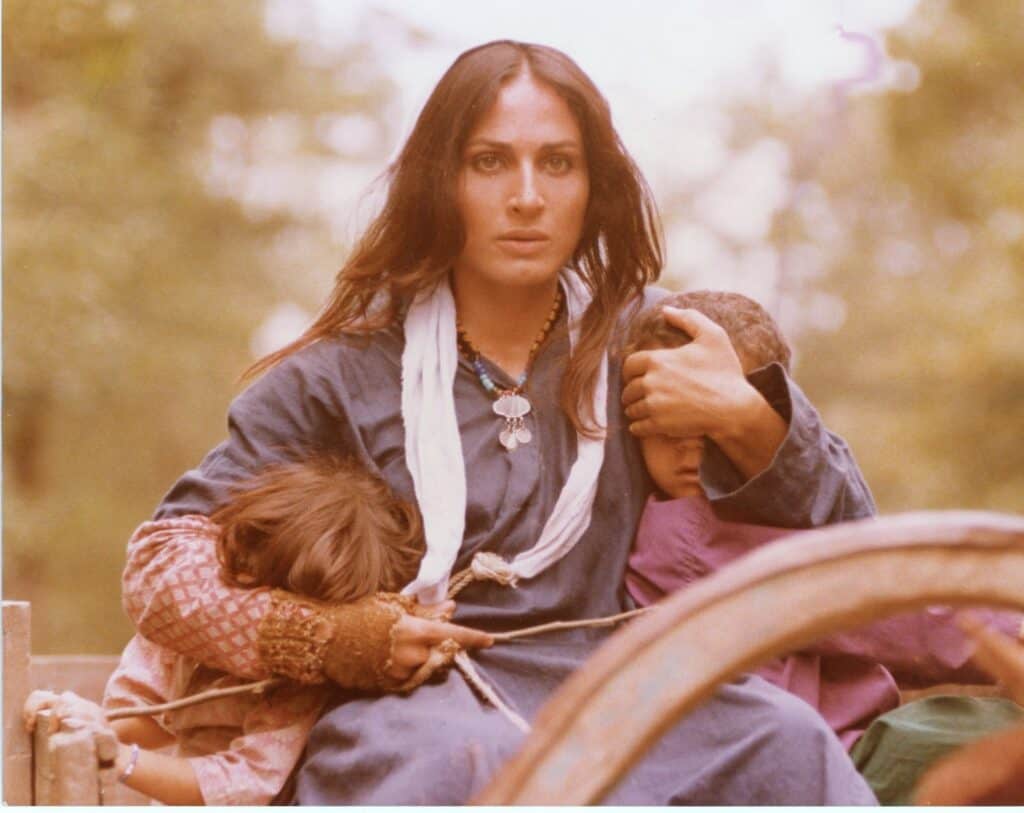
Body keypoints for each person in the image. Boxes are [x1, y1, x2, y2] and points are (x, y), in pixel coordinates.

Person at [119, 40, 879, 804]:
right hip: (417, 707)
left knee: (783, 740)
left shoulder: (659, 340)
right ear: (440, 181)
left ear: (594, 185)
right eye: (489, 162)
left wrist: (744, 416)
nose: (526, 196)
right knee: (467, 760)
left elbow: (858, 540)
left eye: (557, 163)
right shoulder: (343, 374)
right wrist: (338, 638)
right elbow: (158, 572)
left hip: (628, 691)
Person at [623, 288, 1024, 803]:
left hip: (840, 743)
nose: (688, 450)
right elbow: (874, 609)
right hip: (831, 761)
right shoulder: (688, 540)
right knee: (975, 742)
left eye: (708, 427)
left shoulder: (765, 508)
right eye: (665, 429)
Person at [24, 456, 431, 805]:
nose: (248, 598)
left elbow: (245, 784)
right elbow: (140, 714)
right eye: (242, 578)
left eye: (279, 597)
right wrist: (81, 721)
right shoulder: (199, 623)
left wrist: (123, 760)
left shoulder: (300, 684)